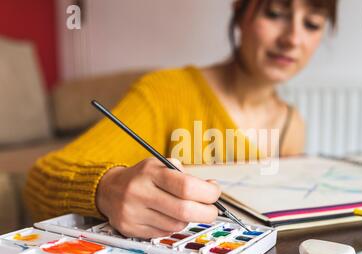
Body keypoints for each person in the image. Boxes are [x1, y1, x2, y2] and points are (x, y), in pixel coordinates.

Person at [24, 0, 338, 238]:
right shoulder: (164, 92)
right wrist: (106, 190)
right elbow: (39, 181)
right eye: (275, 14)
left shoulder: (292, 123)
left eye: (311, 24)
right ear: (240, 13)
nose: (293, 39)